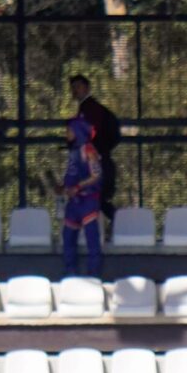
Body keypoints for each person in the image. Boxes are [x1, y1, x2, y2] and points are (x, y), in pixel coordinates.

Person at [67, 76, 121, 227]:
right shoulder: (87, 108)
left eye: (78, 86)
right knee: (97, 200)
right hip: (98, 163)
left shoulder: (91, 109)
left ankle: (121, 225)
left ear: (87, 88)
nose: (75, 90)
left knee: (96, 198)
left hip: (99, 164)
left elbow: (90, 134)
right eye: (73, 87)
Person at [60, 114, 103, 274]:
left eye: (69, 130)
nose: (67, 134)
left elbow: (96, 175)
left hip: (88, 201)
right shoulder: (73, 151)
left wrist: (78, 187)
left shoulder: (88, 150)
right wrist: (63, 187)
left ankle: (93, 275)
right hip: (74, 202)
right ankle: (70, 274)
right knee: (68, 237)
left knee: (92, 240)